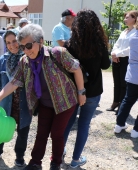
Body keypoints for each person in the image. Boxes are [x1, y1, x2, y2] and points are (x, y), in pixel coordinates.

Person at [0, 24, 86, 170]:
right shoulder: (24, 62)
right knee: (41, 134)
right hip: (45, 103)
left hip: (65, 102)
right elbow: (13, 83)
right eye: (22, 47)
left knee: (57, 134)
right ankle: (35, 163)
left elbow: (76, 69)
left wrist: (81, 92)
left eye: (28, 45)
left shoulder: (58, 53)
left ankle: (55, 164)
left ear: (40, 41)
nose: (26, 51)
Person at [63, 9, 111, 168]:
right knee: (84, 125)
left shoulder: (70, 44)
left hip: (73, 90)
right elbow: (105, 65)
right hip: (93, 91)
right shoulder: (100, 44)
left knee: (67, 123)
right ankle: (76, 160)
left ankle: (59, 152)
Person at [0, 29, 31, 167]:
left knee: (23, 132)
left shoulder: (29, 59)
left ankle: (19, 157)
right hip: (6, 103)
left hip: (24, 105)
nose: (12, 45)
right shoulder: (2, 61)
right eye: (8, 43)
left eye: (15, 41)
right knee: (0, 129)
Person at [107, 10, 138, 112]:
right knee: (116, 82)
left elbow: (131, 49)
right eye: (125, 17)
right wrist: (113, 53)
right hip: (117, 59)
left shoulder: (136, 33)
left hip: (126, 60)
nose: (125, 19)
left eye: (128, 17)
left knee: (124, 84)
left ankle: (121, 104)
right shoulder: (124, 31)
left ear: (134, 19)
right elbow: (116, 44)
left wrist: (117, 54)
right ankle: (115, 102)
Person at [114, 10, 138, 138]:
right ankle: (136, 131)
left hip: (133, 73)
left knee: (127, 100)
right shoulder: (130, 34)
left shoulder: (134, 37)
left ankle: (119, 125)